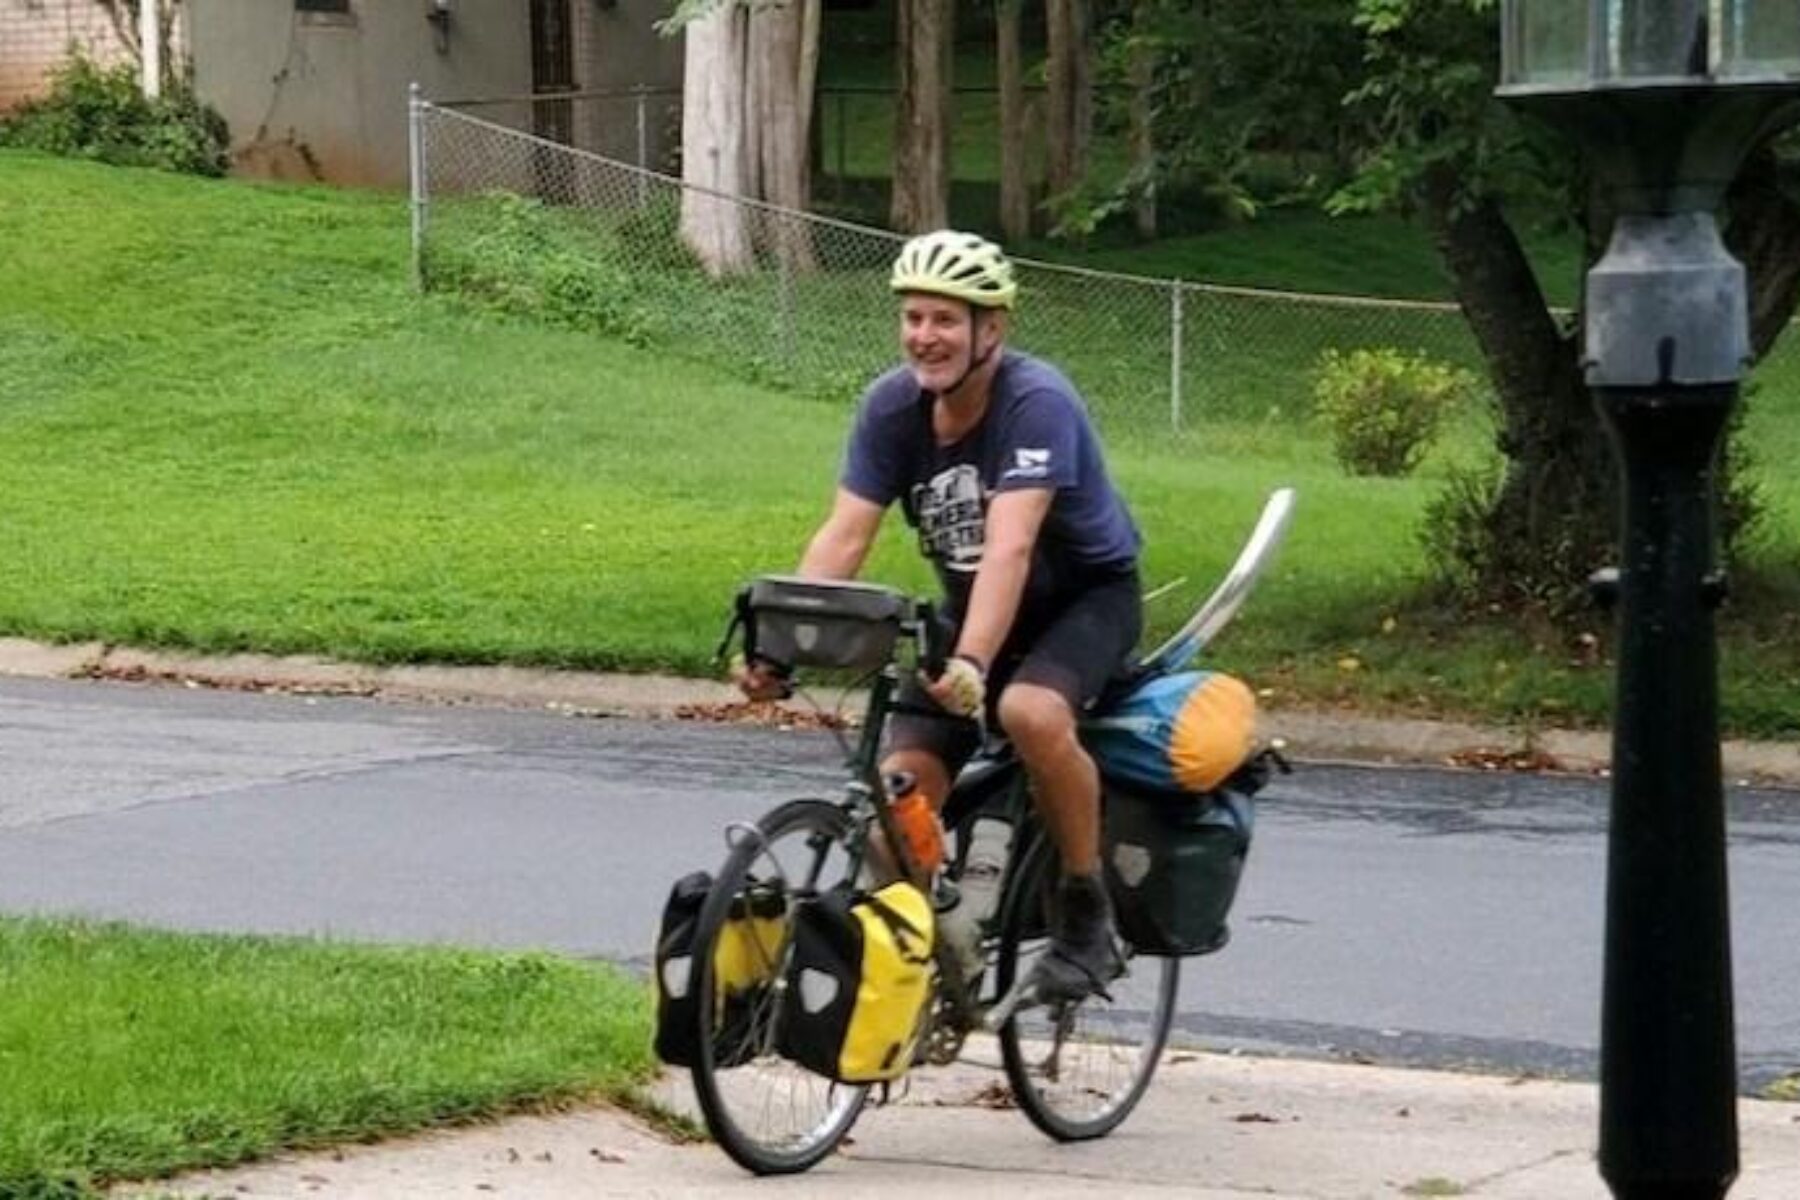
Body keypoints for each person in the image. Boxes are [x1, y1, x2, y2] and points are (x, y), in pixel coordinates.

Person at [739, 229, 1143, 1005]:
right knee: (894, 808)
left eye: (946, 320)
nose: (925, 336)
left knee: (1028, 712)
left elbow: (1010, 546)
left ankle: (1085, 911)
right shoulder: (892, 408)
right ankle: (938, 959)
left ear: (992, 328)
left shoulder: (1037, 403)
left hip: (1082, 602)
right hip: (972, 612)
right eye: (914, 317)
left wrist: (974, 665)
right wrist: (780, 645)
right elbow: (845, 535)